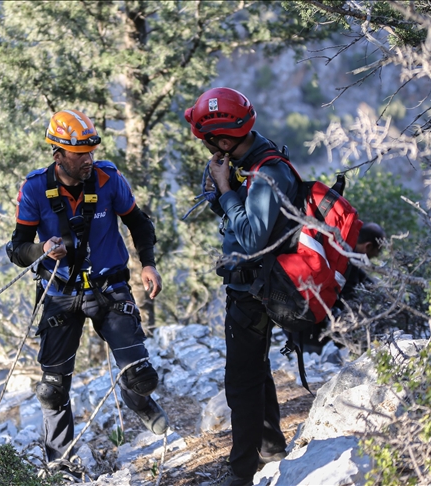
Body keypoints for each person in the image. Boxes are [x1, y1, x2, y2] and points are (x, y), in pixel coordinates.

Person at [5, 109, 169, 467]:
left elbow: (139, 224)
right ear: (58, 154)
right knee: (52, 388)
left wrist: (149, 264)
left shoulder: (108, 180)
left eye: (91, 152)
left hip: (109, 287)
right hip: (60, 292)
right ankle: (61, 464)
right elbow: (17, 249)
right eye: (80, 154)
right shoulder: (35, 188)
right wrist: (43, 250)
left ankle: (138, 400)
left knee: (142, 377)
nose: (89, 160)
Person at [184, 88, 300, 486]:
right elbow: (241, 219)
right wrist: (225, 192)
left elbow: (252, 239)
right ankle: (270, 449)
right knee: (256, 370)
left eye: (208, 139)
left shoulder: (266, 172)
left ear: (223, 138)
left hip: (259, 289)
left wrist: (227, 190)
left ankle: (241, 473)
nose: (208, 147)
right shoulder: (250, 161)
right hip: (255, 286)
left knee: (241, 383)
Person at [299, 222, 387, 355]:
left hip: (301, 321)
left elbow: (364, 280)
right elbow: (349, 299)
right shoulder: (348, 261)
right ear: (367, 246)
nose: (375, 257)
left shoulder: (340, 251)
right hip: (313, 334)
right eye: (376, 252)